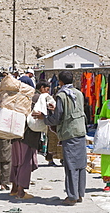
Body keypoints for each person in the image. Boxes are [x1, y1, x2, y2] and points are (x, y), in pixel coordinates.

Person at [33, 70, 87, 206]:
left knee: (70, 166)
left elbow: (57, 118)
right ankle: (79, 193)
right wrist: (55, 108)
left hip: (69, 133)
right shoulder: (78, 93)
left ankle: (72, 196)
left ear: (61, 82)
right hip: (80, 131)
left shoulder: (61, 95)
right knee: (80, 165)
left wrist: (44, 117)